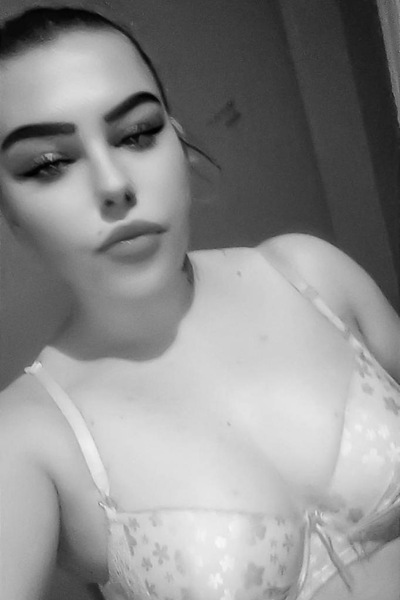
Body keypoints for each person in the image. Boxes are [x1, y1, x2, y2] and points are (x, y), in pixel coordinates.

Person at [0, 6, 399, 600]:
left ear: (179, 142)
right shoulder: (27, 437)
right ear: (9, 211)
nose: (113, 184)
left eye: (137, 133)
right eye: (49, 164)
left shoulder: (310, 274)